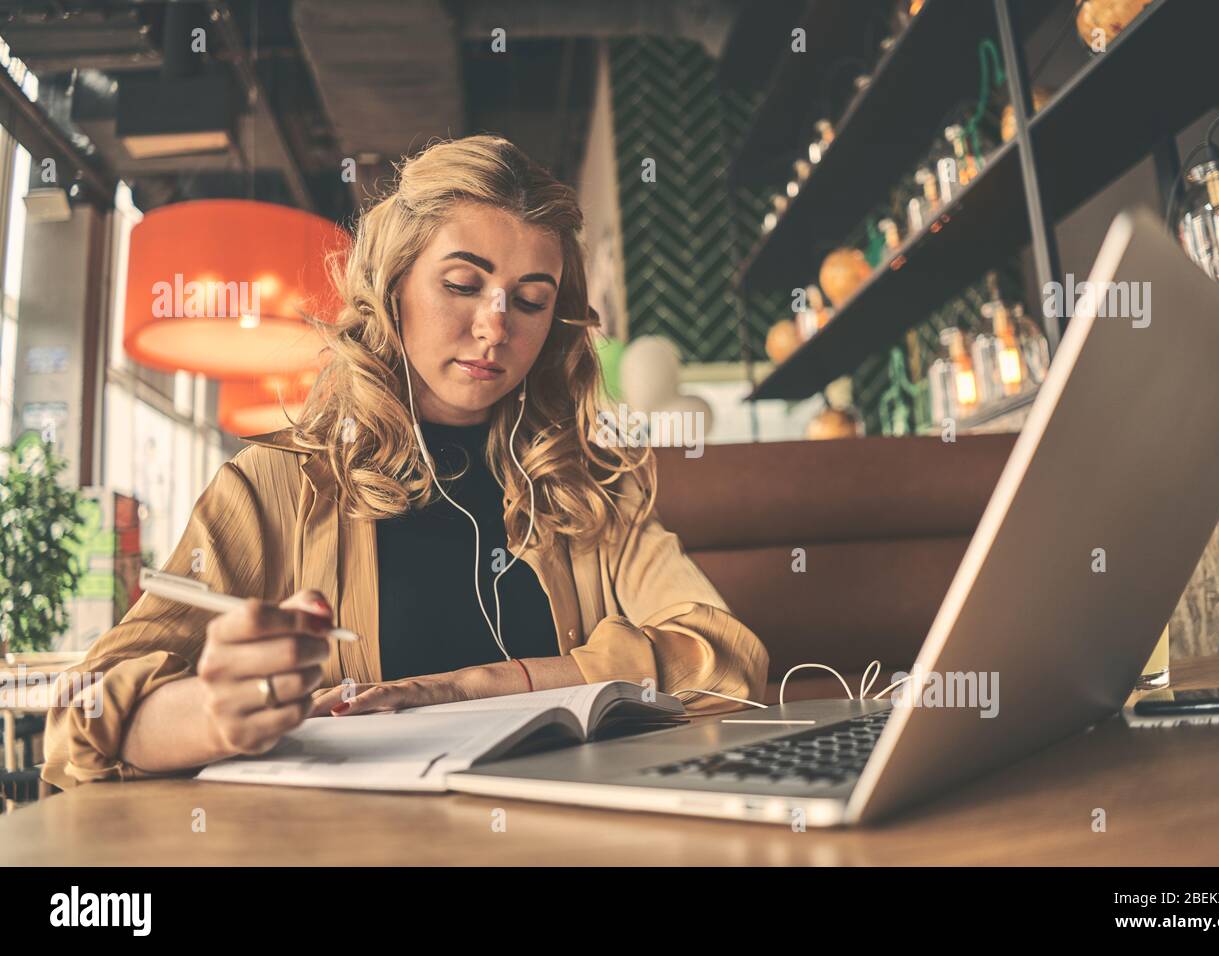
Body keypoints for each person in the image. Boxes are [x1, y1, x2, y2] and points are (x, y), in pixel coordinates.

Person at [41, 135, 770, 790]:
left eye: (531, 299)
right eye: (461, 284)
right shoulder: (271, 486)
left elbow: (726, 660)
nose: (495, 326)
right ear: (394, 288)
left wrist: (467, 687)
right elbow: (80, 717)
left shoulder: (591, 482)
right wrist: (215, 712)